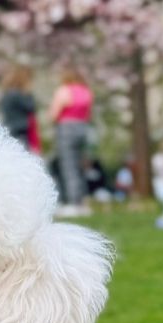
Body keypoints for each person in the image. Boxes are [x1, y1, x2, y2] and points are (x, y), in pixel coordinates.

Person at [47, 65, 94, 216]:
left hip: (66, 128)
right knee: (80, 166)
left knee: (68, 165)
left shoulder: (64, 91)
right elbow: (88, 114)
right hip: (82, 128)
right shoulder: (86, 92)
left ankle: (72, 202)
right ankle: (81, 200)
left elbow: (54, 114)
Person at [0, 65, 39, 152]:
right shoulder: (17, 95)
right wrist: (28, 94)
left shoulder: (5, 95)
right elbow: (31, 107)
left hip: (10, 128)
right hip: (20, 130)